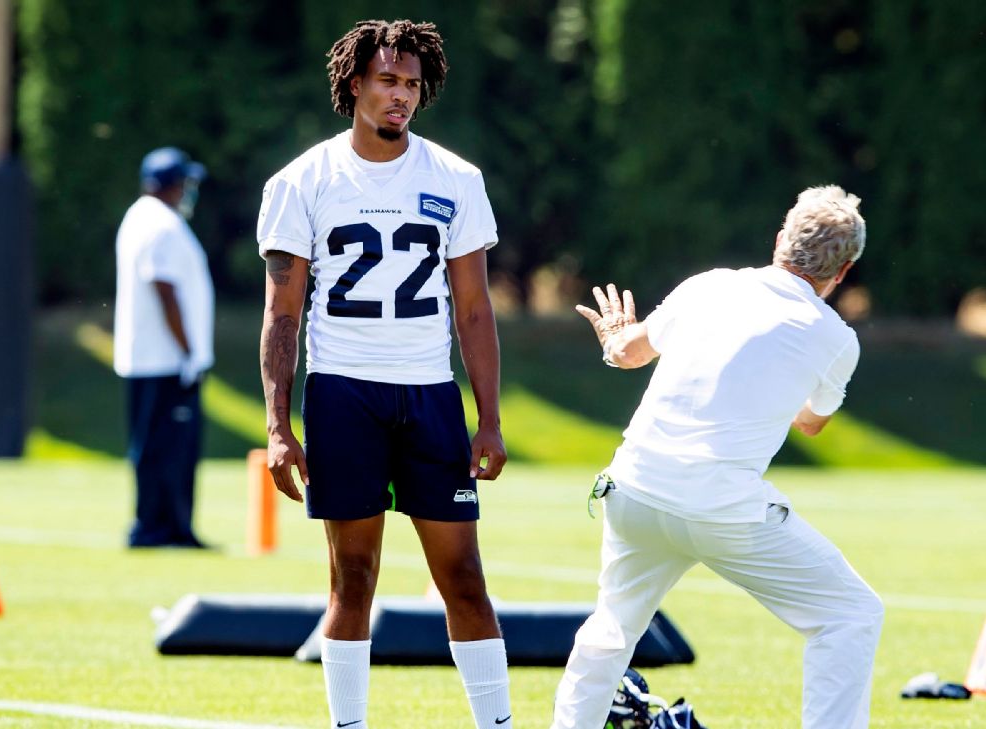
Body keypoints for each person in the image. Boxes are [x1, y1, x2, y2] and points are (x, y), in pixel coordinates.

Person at [256, 19, 511, 729]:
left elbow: (474, 309)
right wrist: (278, 426)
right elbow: (283, 315)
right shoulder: (302, 180)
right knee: (354, 577)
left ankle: (498, 724)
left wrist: (488, 417)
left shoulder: (456, 178)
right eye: (388, 81)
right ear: (355, 84)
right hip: (342, 393)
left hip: (430, 395)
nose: (401, 95)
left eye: (411, 84)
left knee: (463, 577)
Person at [553, 186, 885, 728]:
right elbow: (811, 421)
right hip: (723, 513)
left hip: (634, 489)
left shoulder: (709, 285)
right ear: (844, 271)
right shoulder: (837, 339)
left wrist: (613, 332)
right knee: (851, 614)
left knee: (610, 630)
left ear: (781, 241)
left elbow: (627, 352)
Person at [113, 147, 214, 549]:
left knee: (161, 445)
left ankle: (165, 525)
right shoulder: (161, 225)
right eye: (184, 182)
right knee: (167, 447)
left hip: (151, 358)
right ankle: (158, 528)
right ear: (171, 185)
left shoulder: (142, 217)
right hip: (165, 360)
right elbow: (165, 288)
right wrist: (188, 351)